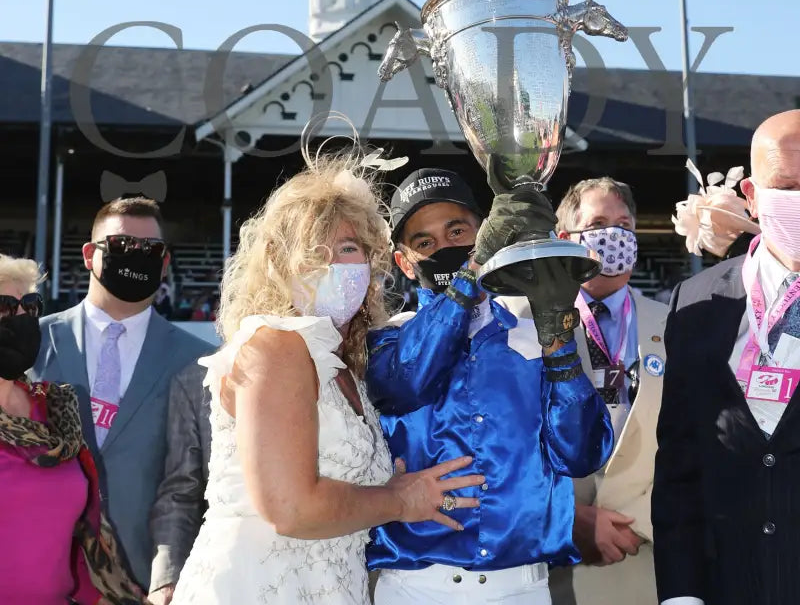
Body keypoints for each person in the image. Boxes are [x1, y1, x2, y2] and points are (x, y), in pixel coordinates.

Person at [171, 154, 483, 605]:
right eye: (314, 250)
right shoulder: (274, 345)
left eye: (348, 249)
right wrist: (399, 499)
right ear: (280, 261)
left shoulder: (346, 366)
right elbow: (291, 508)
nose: (333, 264)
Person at [366, 167, 614, 604]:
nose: (445, 247)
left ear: (483, 231)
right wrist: (473, 269)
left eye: (457, 230)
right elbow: (407, 385)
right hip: (416, 589)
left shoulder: (538, 333)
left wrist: (558, 344)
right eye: (424, 242)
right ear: (404, 262)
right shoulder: (388, 340)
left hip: (524, 587)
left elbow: (581, 455)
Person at [653, 110, 800, 605]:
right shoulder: (695, 301)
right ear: (754, 197)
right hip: (725, 583)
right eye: (789, 185)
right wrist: (681, 594)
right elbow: (679, 460)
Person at [32, 195, 214, 591]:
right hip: (39, 573)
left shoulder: (202, 362)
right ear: (88, 254)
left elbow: (200, 486)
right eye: (120, 246)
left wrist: (171, 580)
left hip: (145, 582)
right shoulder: (31, 344)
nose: (136, 256)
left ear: (165, 262)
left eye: (149, 249)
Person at [548, 177, 668, 605]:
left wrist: (640, 521)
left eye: (625, 225)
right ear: (566, 240)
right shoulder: (527, 326)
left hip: (649, 553)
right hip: (559, 562)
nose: (615, 235)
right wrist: (565, 519)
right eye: (599, 222)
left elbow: (698, 436)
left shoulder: (675, 321)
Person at [0, 253, 142, 604]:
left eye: (29, 306)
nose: (21, 318)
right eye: (5, 307)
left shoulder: (55, 407)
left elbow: (84, 534)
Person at [149, 359, 213, 605]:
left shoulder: (334, 371)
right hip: (232, 575)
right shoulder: (196, 381)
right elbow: (182, 494)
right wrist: (167, 579)